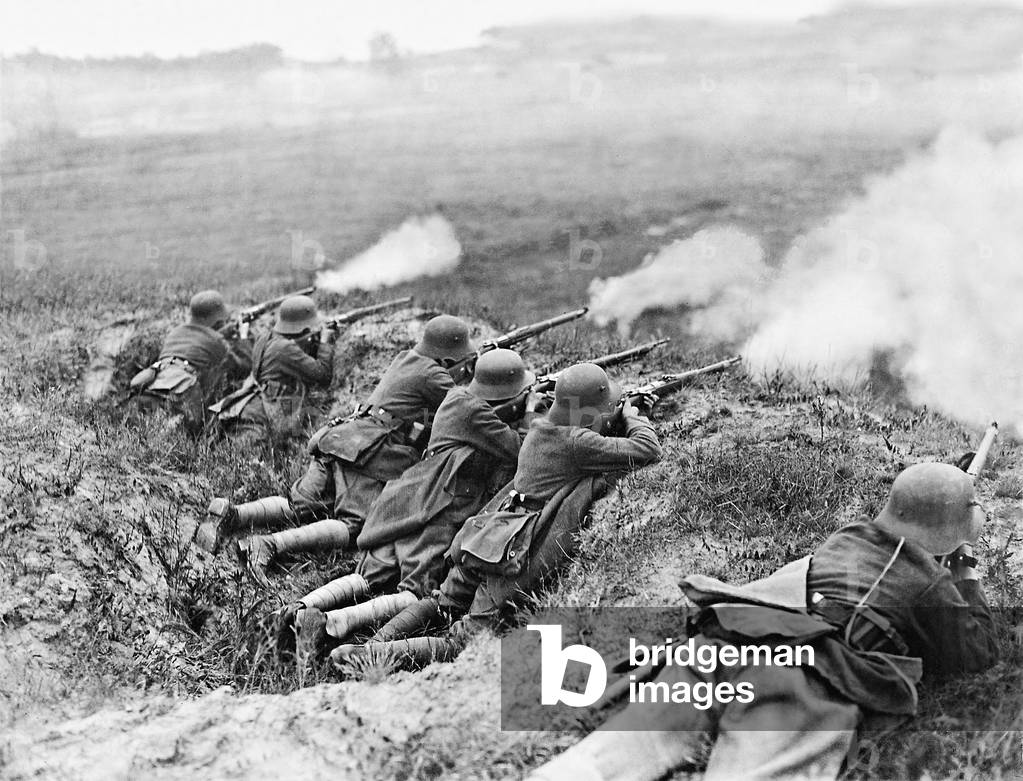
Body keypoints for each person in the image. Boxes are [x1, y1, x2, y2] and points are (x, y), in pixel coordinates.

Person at [526, 461, 1000, 781]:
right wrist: (965, 576)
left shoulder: (847, 536)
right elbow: (977, 653)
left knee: (610, 758)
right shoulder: (930, 584)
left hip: (730, 642)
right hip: (801, 679)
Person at [320, 362, 662, 659]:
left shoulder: (542, 426)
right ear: (589, 413)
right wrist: (634, 417)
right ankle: (369, 655)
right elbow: (647, 448)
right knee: (467, 637)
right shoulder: (576, 443)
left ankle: (374, 643)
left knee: (443, 603)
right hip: (514, 548)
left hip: (486, 532)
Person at [272, 349, 534, 645]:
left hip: (405, 500)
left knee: (372, 572)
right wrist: (530, 413)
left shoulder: (458, 399)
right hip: (437, 511)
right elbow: (520, 448)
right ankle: (335, 623)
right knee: (415, 590)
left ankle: (299, 607)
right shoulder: (473, 412)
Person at [207, 314, 476, 583]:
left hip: (340, 438)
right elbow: (466, 408)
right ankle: (269, 544)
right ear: (449, 361)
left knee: (301, 504)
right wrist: (480, 375)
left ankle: (233, 513)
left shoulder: (406, 357)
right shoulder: (434, 375)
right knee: (354, 525)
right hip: (369, 454)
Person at [212, 295, 336, 447]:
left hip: (253, 402)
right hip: (264, 412)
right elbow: (322, 375)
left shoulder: (265, 337)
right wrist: (325, 343)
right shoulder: (286, 348)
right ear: (304, 326)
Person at [132, 290, 251, 431]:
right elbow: (244, 366)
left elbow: (196, 341)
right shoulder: (216, 340)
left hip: (154, 388)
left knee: (147, 430)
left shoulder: (175, 332)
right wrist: (243, 337)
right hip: (181, 394)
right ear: (213, 317)